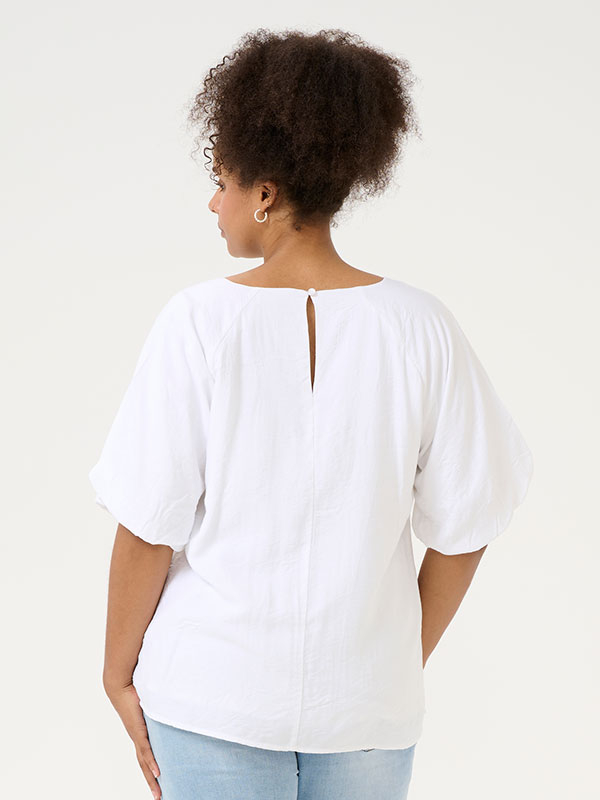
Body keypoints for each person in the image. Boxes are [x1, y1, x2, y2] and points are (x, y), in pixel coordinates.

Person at [89, 28, 534, 800]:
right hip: (367, 712)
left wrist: (116, 672)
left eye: (222, 180)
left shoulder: (199, 321)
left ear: (265, 194)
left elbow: (148, 526)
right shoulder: (423, 327)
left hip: (212, 696)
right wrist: (392, 661)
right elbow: (468, 525)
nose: (214, 201)